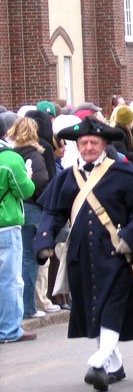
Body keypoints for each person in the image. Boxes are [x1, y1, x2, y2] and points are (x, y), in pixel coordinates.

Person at [33, 117, 133, 390]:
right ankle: (114, 363)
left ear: (104, 144)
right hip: (81, 254)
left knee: (111, 305)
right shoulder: (66, 178)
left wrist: (130, 237)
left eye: (93, 143)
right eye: (83, 143)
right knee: (95, 308)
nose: (88, 147)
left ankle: (99, 362)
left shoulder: (122, 174)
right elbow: (52, 213)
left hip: (115, 252)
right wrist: (44, 242)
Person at [7, 117, 50, 320]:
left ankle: (21, 307)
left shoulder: (10, 155)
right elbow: (42, 181)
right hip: (33, 208)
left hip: (17, 208)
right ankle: (28, 307)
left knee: (18, 261)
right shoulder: (35, 155)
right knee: (30, 259)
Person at [0, 119, 37, 343]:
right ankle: (10, 329)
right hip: (6, 223)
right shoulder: (10, 159)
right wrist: (29, 177)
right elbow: (26, 190)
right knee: (9, 279)